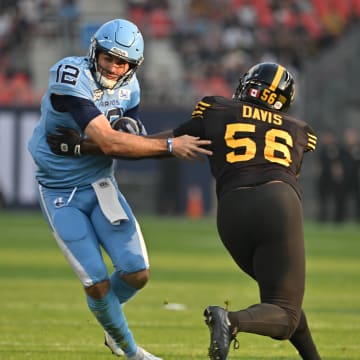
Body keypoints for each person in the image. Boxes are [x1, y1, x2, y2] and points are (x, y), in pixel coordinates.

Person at [46, 62, 321, 359]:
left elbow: (158, 145)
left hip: (231, 213)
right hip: (277, 204)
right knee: (284, 309)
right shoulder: (299, 129)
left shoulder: (218, 110)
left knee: (281, 302)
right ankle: (230, 321)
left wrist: (83, 147)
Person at [27, 18, 211, 360]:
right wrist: (170, 146)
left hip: (100, 183)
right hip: (59, 190)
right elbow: (111, 141)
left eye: (122, 62)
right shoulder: (70, 75)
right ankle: (130, 351)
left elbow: (129, 143)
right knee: (95, 281)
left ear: (133, 65)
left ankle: (108, 319)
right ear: (94, 51)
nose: (114, 67)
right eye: (108, 57)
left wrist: (81, 147)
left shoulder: (131, 89)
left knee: (137, 272)